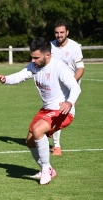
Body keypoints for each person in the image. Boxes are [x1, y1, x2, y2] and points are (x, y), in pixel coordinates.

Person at [0, 37, 81, 185]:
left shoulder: (60, 67)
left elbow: (76, 87)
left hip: (63, 110)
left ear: (47, 55)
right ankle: (47, 169)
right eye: (32, 57)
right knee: (29, 141)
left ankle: (46, 170)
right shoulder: (35, 66)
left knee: (37, 130)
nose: (33, 60)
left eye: (36, 57)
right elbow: (20, 76)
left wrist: (69, 102)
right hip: (46, 109)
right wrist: (6, 79)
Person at [50, 20, 85, 155]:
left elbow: (80, 68)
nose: (59, 35)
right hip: (56, 87)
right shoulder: (50, 46)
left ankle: (53, 137)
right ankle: (56, 146)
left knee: (64, 113)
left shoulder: (74, 47)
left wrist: (71, 84)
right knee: (56, 113)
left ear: (67, 32)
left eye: (62, 32)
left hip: (72, 84)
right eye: (57, 33)